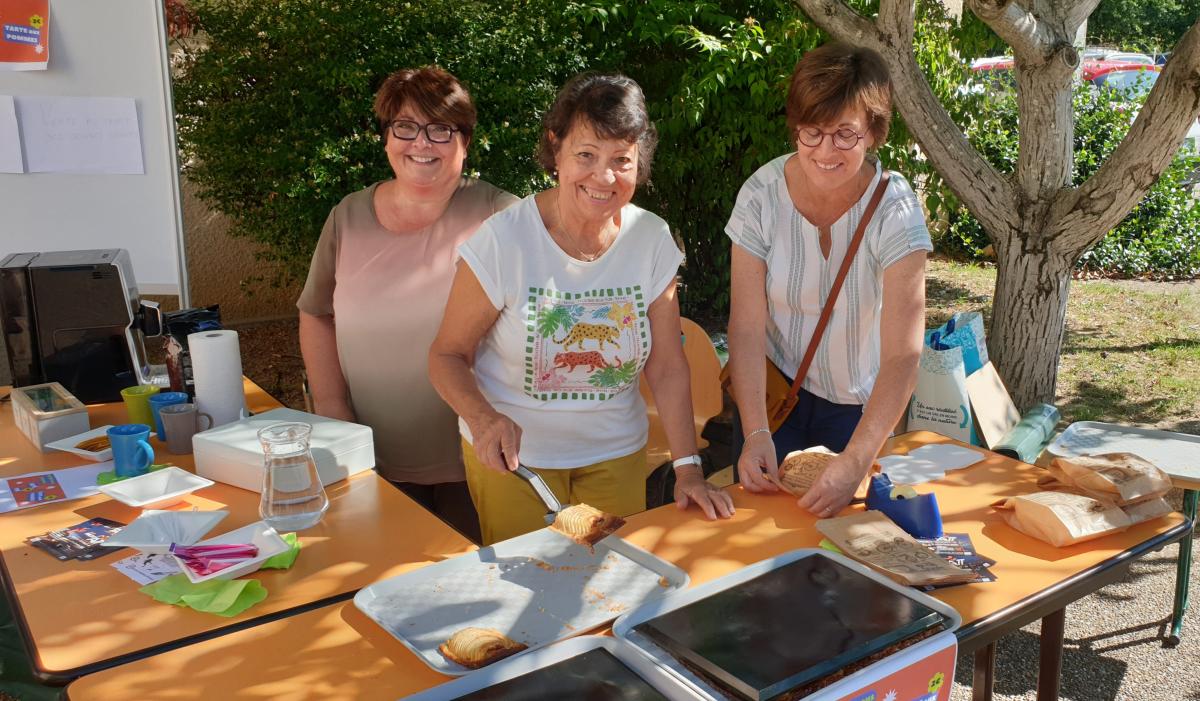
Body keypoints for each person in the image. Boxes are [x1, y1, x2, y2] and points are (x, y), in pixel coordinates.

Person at [428, 72, 735, 545]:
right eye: (586, 155)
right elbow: (446, 356)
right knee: (526, 593)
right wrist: (482, 419)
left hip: (617, 455)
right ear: (556, 149)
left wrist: (688, 469)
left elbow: (667, 364)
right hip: (517, 464)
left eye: (621, 160)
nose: (603, 177)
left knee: (609, 588)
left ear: (640, 163)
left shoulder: (650, 238)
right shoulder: (503, 241)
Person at [297, 67, 518, 543]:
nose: (422, 142)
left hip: (478, 459)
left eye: (441, 129)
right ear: (386, 137)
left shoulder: (502, 217)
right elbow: (316, 312)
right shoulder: (348, 216)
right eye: (405, 126)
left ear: (466, 142)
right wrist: (334, 412)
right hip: (367, 457)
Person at [726, 43, 932, 519]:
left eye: (845, 135)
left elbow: (903, 353)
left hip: (856, 410)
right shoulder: (760, 195)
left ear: (874, 132)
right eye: (812, 132)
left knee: (847, 549)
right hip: (773, 399)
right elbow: (747, 328)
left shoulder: (894, 209)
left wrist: (858, 459)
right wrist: (756, 432)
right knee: (761, 540)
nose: (825, 151)